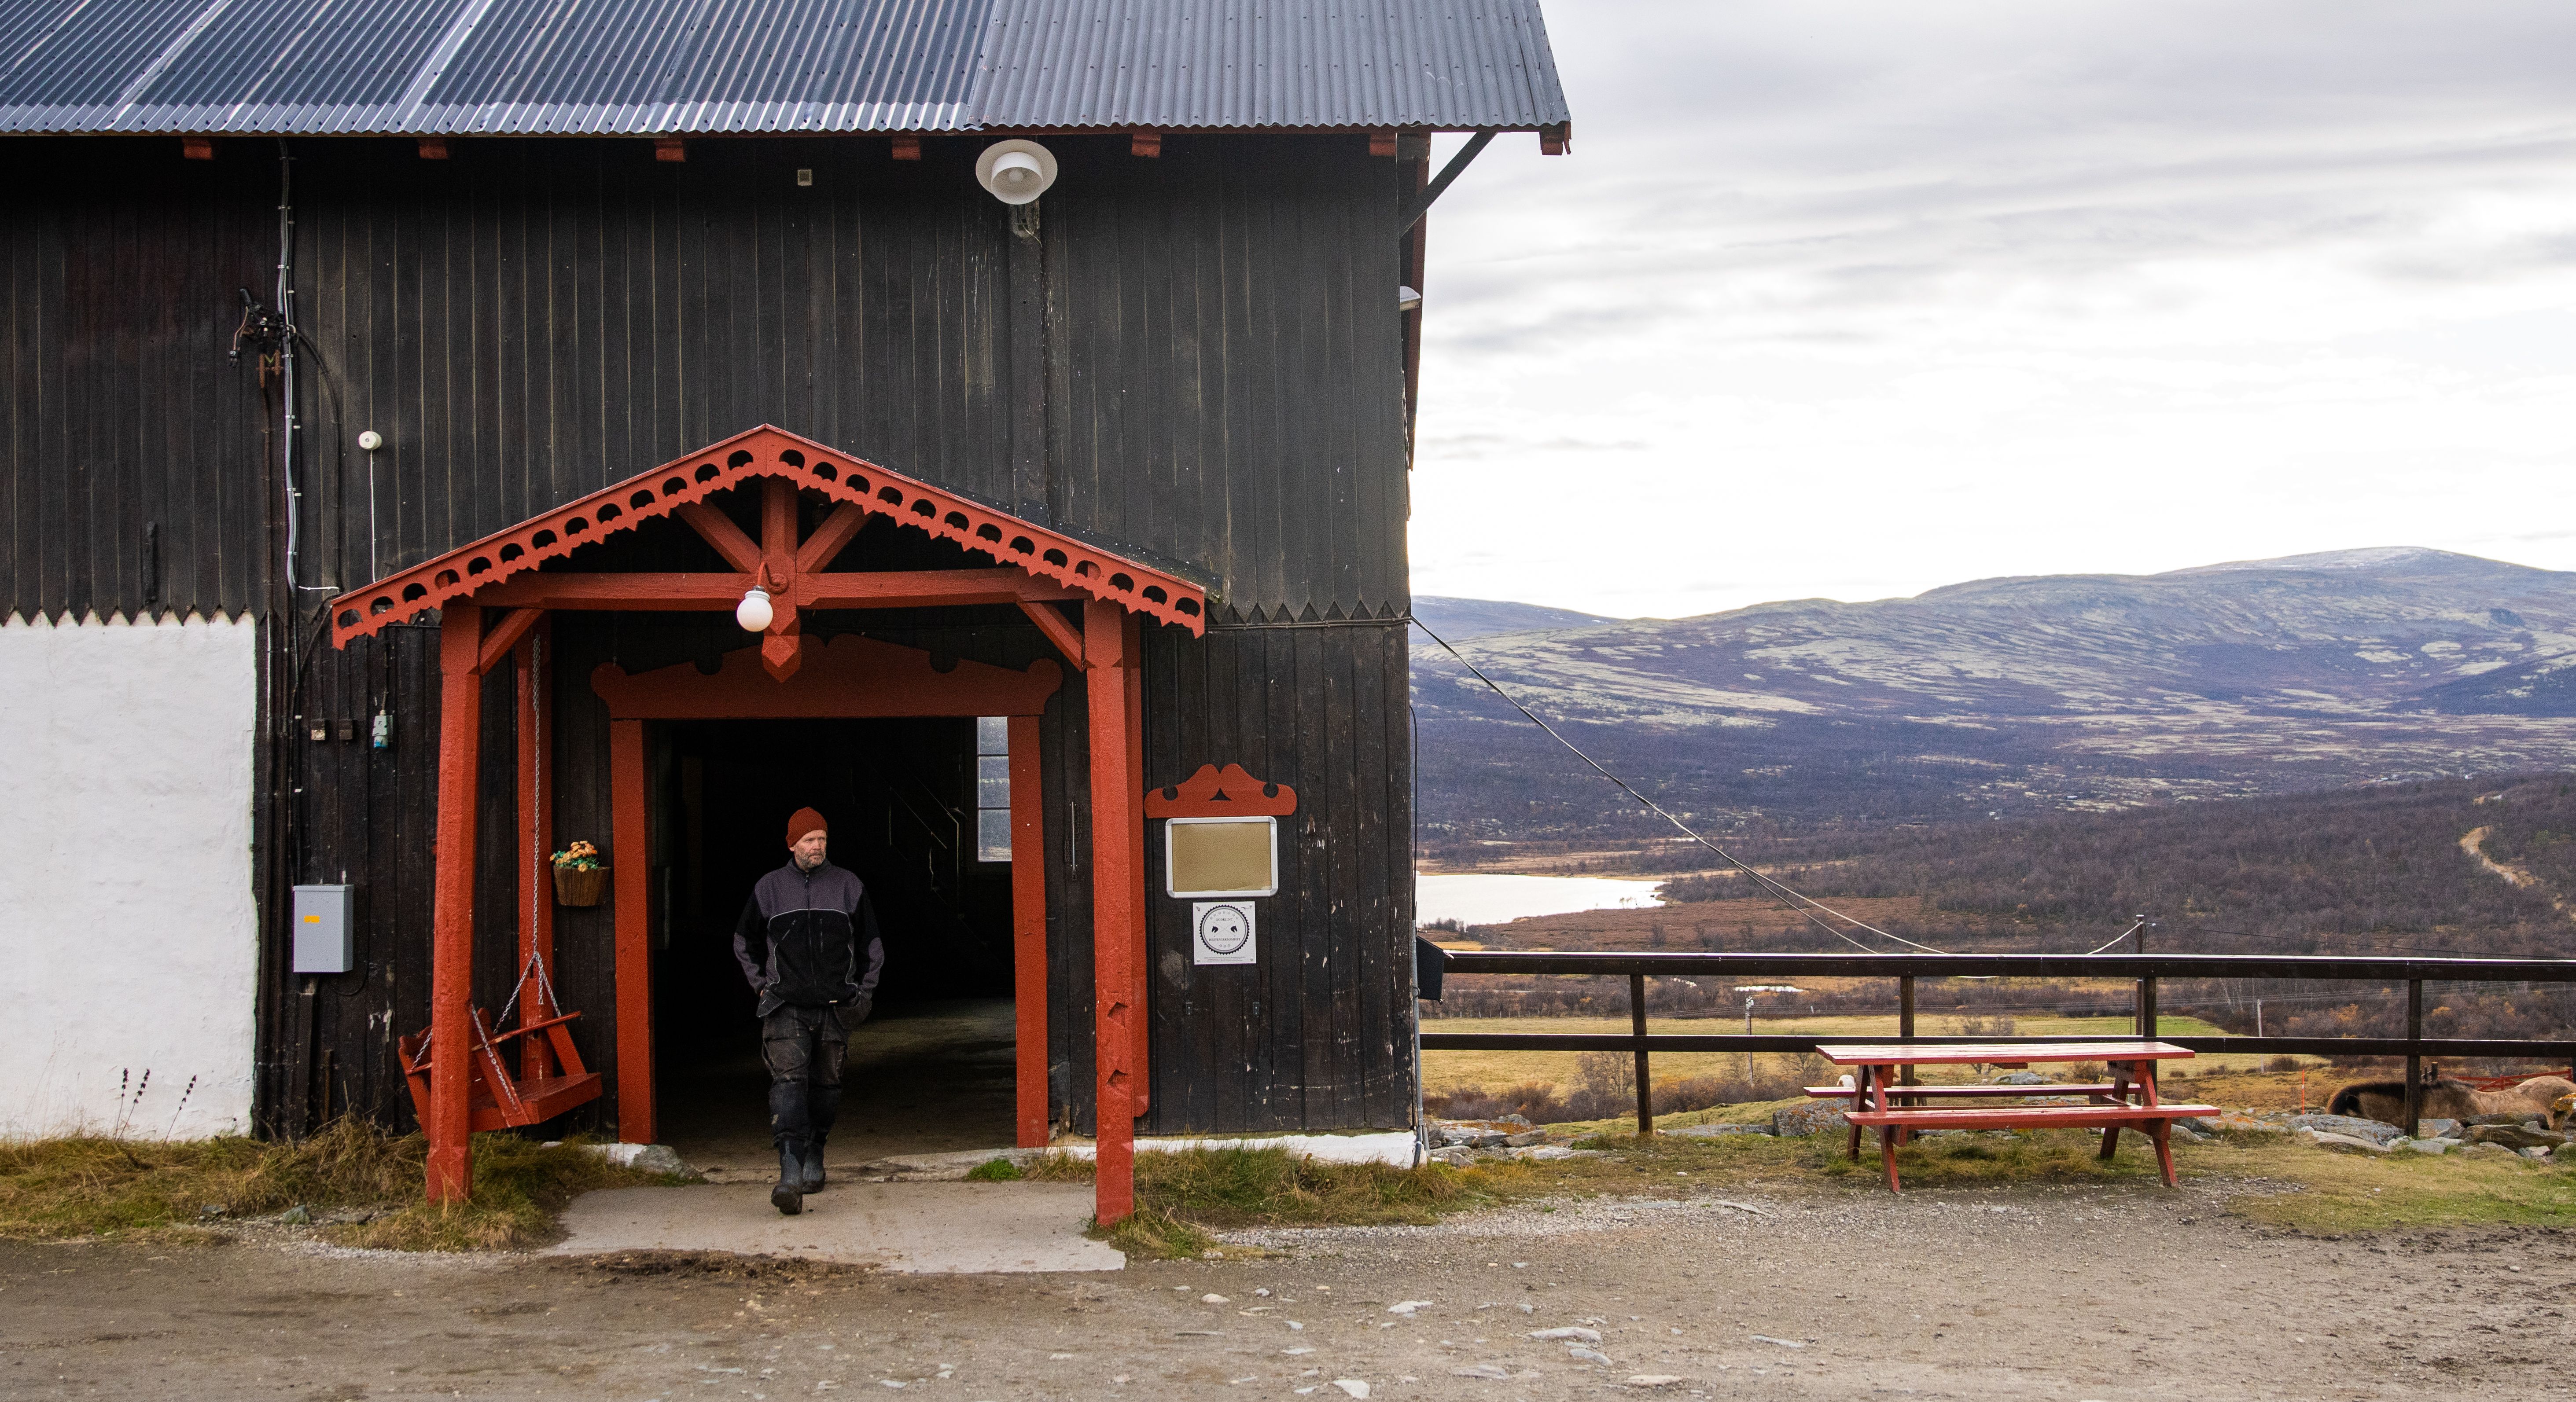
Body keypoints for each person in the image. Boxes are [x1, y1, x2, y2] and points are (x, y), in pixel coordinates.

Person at [731, 806, 883, 1215]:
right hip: (786, 1007)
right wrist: (763, 987)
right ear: (792, 844)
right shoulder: (770, 888)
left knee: (827, 1087)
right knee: (788, 1084)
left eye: (822, 840)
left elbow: (872, 946)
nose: (817, 847)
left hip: (836, 1007)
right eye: (809, 840)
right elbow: (743, 941)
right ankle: (790, 1171)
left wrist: (861, 993)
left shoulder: (849, 885)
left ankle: (816, 1151)